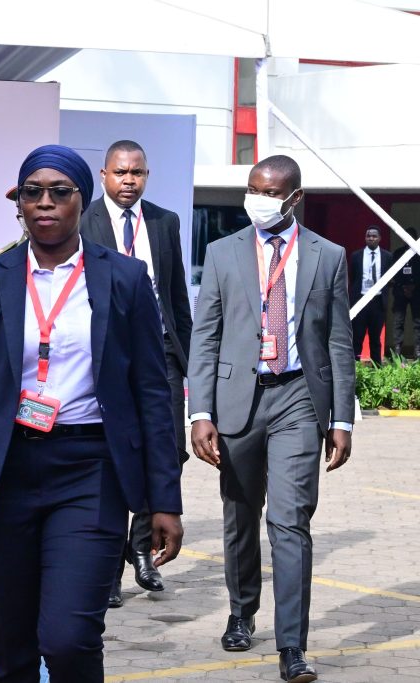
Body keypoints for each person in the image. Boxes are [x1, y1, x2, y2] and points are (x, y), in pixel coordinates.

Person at [0, 144, 184, 682]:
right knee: (10, 644)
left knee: (68, 639)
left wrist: (164, 498)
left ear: (82, 202)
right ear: (18, 203)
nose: (45, 203)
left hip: (89, 471)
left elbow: (152, 395)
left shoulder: (126, 279)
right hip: (3, 477)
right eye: (32, 192)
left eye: (59, 192)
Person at [188, 155, 354, 683]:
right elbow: (205, 337)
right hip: (239, 398)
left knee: (290, 520)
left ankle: (292, 646)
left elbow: (338, 341)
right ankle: (242, 609)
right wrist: (200, 411)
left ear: (294, 198)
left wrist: (343, 419)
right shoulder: (221, 253)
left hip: (299, 399)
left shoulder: (328, 256)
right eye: (252, 189)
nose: (257, 199)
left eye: (270, 192)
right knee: (240, 514)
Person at [80, 139, 192, 607]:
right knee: (110, 455)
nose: (129, 181)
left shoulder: (165, 222)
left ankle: (141, 546)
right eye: (121, 173)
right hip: (106, 356)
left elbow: (176, 294)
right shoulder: (82, 220)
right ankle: (107, 575)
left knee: (165, 449)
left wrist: (191, 362)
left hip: (161, 352)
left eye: (138, 173)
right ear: (104, 175)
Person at [350, 226, 393, 363]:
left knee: (375, 339)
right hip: (361, 301)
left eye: (374, 236)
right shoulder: (356, 256)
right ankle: (354, 369)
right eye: (368, 236)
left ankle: (377, 370)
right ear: (365, 238)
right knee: (357, 337)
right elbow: (353, 277)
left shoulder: (387, 256)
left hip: (378, 302)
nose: (371, 238)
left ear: (380, 238)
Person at [391, 227, 420, 357]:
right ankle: (397, 350)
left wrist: (413, 286)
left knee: (418, 322)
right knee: (398, 321)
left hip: (417, 291)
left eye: (411, 236)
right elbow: (393, 272)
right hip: (400, 291)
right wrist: (403, 286)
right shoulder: (398, 253)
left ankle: (418, 351)